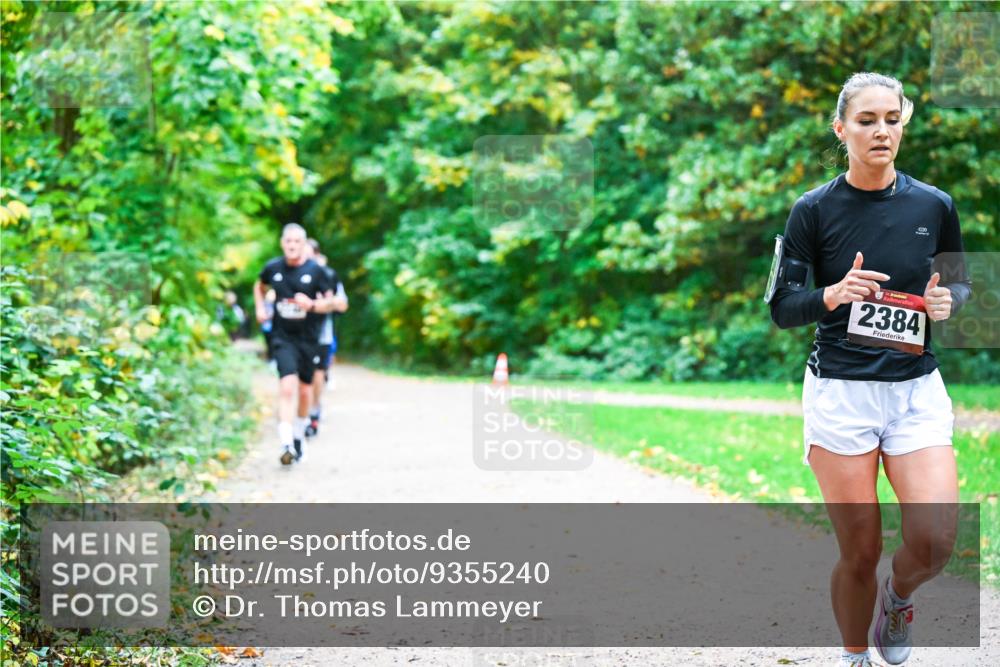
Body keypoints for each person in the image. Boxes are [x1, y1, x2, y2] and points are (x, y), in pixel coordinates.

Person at [768, 72, 971, 667]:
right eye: (866, 120)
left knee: (933, 542)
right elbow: (782, 307)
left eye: (891, 119)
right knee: (859, 551)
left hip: (914, 390)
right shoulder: (813, 210)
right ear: (841, 129)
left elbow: (959, 283)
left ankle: (899, 597)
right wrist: (832, 295)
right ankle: (855, 655)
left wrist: (948, 302)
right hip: (841, 393)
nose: (881, 130)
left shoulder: (934, 204)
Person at [253, 223, 338, 465]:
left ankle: (299, 435)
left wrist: (311, 305)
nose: (292, 245)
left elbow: (331, 302)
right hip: (282, 337)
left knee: (304, 390)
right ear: (282, 243)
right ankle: (286, 442)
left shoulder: (316, 271)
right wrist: (260, 308)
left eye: (296, 241)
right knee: (287, 387)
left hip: (309, 339)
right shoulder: (273, 268)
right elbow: (259, 286)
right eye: (288, 241)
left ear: (303, 244)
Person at [303, 239, 348, 437]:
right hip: (295, 335)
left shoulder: (328, 275)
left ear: (317, 255)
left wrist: (323, 303)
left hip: (321, 334)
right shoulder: (288, 273)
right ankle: (301, 413)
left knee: (317, 373)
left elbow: (343, 304)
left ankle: (314, 411)